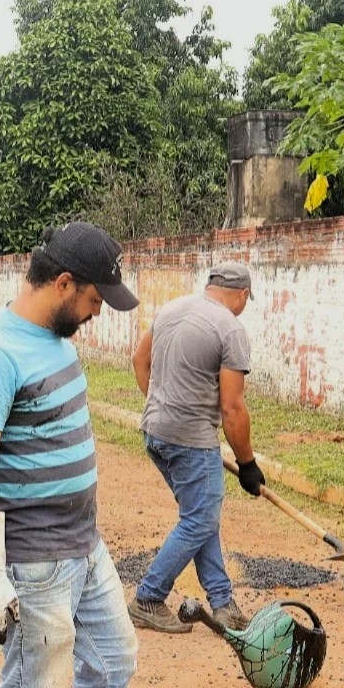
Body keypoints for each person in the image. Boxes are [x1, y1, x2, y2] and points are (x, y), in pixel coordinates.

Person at [0, 222, 140, 688]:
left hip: (85, 546)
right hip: (36, 561)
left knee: (114, 658)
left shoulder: (55, 339)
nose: (98, 311)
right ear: (63, 283)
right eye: (94, 298)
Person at [127, 262, 260, 634]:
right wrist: (247, 463)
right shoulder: (231, 329)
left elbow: (140, 360)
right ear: (242, 294)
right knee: (200, 518)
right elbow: (232, 408)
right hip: (191, 440)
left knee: (201, 517)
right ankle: (148, 599)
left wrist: (162, 408)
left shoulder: (171, 309)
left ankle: (223, 603)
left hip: (156, 432)